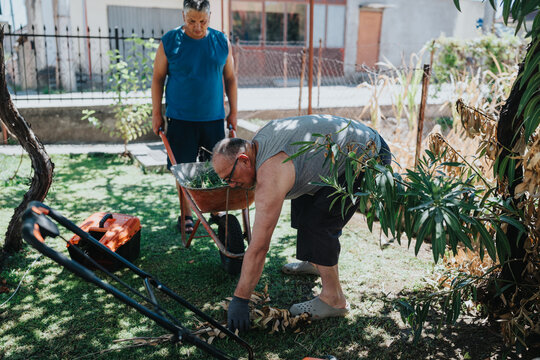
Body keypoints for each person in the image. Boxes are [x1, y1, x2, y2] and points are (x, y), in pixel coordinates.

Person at [212, 114, 392, 332]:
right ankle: (315, 263)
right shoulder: (259, 141)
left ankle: (334, 300)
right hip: (340, 152)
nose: (231, 185)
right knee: (302, 201)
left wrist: (240, 299)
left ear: (243, 160)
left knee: (319, 223)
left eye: (229, 177)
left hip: (366, 156)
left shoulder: (271, 174)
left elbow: (259, 247)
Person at [152, 0, 238, 233]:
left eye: (203, 21)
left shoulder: (221, 41)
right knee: (183, 170)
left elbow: (230, 78)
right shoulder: (170, 41)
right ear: (183, 16)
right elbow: (158, 78)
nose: (197, 26)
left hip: (213, 118)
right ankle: (187, 214)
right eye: (192, 21)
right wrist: (156, 113)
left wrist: (233, 112)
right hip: (181, 119)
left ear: (209, 18)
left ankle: (216, 209)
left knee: (215, 167)